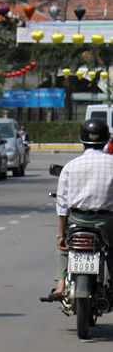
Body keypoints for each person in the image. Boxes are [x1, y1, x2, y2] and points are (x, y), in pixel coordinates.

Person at [46, 118, 113, 300]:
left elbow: (62, 205)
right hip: (106, 222)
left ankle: (60, 284)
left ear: (82, 140)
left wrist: (61, 234)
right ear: (106, 139)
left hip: (78, 221)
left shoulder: (70, 166)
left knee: (64, 246)